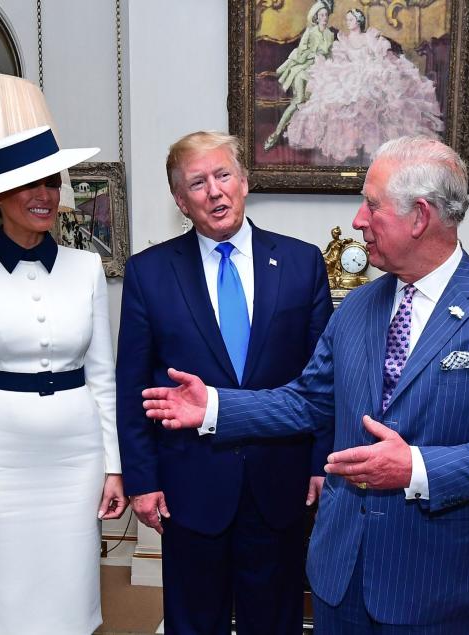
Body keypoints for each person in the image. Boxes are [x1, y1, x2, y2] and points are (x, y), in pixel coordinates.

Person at [142, 136, 469, 634]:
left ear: (419, 216)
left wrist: (416, 467)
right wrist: (215, 408)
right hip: (340, 574)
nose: (358, 219)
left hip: (430, 582)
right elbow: (308, 401)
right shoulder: (358, 308)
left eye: (372, 205)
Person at [115, 130, 333, 634]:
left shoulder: (302, 264)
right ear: (180, 201)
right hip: (189, 483)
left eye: (223, 175)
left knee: (275, 619)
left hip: (280, 481)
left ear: (244, 181)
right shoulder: (149, 273)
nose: (214, 191)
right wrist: (142, 480)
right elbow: (132, 387)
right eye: (197, 182)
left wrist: (321, 461)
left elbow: (324, 383)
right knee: (194, 621)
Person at [0, 126, 127, 634]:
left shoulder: (86, 267)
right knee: (5, 596)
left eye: (51, 182)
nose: (44, 196)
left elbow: (103, 377)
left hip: (75, 458)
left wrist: (113, 466)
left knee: (71, 592)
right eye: (28, 185)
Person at [286, 9, 443, 163]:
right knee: (334, 97)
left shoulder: (369, 37)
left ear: (359, 21)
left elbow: (378, 55)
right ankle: (346, 141)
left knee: (372, 92)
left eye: (351, 20)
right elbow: (341, 60)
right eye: (347, 20)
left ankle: (368, 141)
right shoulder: (344, 40)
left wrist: (371, 66)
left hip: (368, 72)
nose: (348, 23)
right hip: (350, 74)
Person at [264, 0, 335, 151]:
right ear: (316, 17)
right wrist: (314, 55)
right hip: (303, 70)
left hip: (321, 72)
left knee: (322, 102)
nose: (324, 17)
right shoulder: (310, 32)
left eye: (326, 15)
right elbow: (301, 50)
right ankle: (276, 134)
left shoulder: (329, 34)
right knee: (298, 101)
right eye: (321, 15)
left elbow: (330, 54)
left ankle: (313, 137)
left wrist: (328, 60)